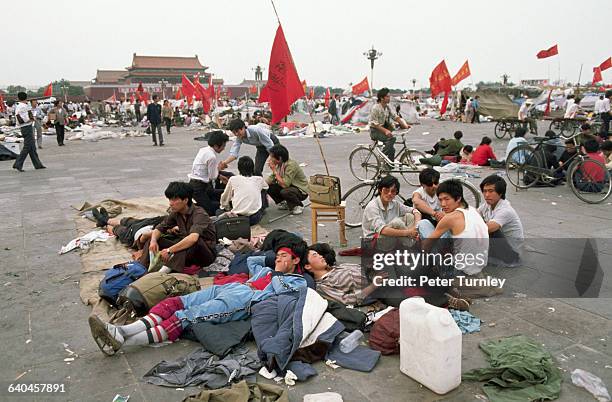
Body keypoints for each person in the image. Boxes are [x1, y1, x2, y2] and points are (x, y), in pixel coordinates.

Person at [89, 247, 308, 355]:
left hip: (245, 299)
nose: (279, 258)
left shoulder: (297, 280)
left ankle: (124, 340)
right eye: (277, 255)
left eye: (284, 256)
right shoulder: (264, 270)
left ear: (295, 260)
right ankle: (123, 332)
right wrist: (272, 259)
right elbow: (252, 259)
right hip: (232, 287)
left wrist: (280, 271)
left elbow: (282, 292)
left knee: (184, 317)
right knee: (175, 303)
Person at [138, 181, 216, 274]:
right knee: (155, 240)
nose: (171, 203)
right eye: (170, 199)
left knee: (189, 242)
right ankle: (141, 269)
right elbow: (160, 228)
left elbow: (193, 239)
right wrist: (153, 241)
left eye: (174, 200)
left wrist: (169, 250)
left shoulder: (199, 213)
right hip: (187, 253)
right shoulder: (176, 212)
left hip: (204, 254)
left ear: (185, 200)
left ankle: (162, 273)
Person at [419, 179, 489, 277]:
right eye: (440, 200)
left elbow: (426, 246)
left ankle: (434, 269)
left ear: (458, 198)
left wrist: (423, 247)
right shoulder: (474, 211)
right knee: (443, 233)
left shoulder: (450, 218)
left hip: (457, 272)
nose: (443, 204)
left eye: (447, 199)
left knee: (423, 224)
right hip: (478, 267)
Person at [305, 243, 383, 305]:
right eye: (315, 255)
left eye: (319, 254)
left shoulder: (338, 267)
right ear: (307, 266)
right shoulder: (322, 286)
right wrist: (373, 286)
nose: (321, 256)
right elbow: (347, 300)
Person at [362, 175, 421, 249]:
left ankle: (411, 241)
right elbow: (383, 230)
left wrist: (415, 228)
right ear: (380, 190)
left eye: (393, 191)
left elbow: (415, 211)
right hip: (373, 243)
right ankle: (411, 244)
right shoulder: (372, 206)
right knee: (397, 223)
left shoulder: (394, 203)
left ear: (396, 193)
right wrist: (409, 232)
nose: (389, 193)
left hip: (389, 239)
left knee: (410, 216)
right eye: (386, 190)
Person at [478, 175, 524, 266]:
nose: (486, 195)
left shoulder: (505, 210)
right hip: (500, 244)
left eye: (491, 191)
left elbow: (488, 229)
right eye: (484, 191)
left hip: (511, 252)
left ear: (500, 193)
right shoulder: (488, 204)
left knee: (488, 230)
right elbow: (475, 213)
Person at [188, 131, 231, 216]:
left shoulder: (203, 150)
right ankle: (188, 209)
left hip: (197, 183)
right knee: (209, 210)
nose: (223, 148)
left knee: (214, 197)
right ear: (216, 146)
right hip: (198, 187)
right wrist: (219, 168)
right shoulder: (212, 157)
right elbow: (212, 176)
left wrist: (220, 175)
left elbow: (207, 170)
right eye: (223, 146)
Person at [220, 156, 269, 225]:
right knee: (263, 190)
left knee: (218, 211)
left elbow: (225, 197)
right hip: (255, 218)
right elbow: (266, 187)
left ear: (239, 168)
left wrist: (225, 207)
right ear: (252, 168)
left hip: (238, 217)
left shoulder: (233, 179)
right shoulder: (259, 179)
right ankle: (262, 209)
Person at [368, 88, 410, 161]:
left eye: (389, 96)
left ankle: (388, 168)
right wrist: (386, 131)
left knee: (392, 150)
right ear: (381, 98)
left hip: (382, 130)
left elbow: (395, 117)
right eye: (387, 96)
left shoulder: (387, 107)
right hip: (375, 131)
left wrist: (404, 125)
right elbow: (375, 124)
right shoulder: (375, 108)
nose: (389, 98)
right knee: (392, 138)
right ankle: (381, 157)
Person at [266, 144, 309, 215]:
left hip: (300, 190)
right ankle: (286, 202)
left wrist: (274, 170)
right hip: (290, 187)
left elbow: (285, 184)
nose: (270, 159)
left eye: (271, 157)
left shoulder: (291, 165)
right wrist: (260, 185)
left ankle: (298, 205)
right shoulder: (279, 164)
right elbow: (271, 178)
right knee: (269, 187)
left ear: (279, 158)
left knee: (285, 191)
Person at [12, 92, 45, 172]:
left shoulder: (19, 106)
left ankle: (37, 164)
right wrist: (31, 119)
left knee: (32, 147)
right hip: (26, 127)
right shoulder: (23, 106)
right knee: (27, 147)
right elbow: (22, 118)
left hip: (26, 127)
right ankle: (18, 163)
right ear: (26, 98)